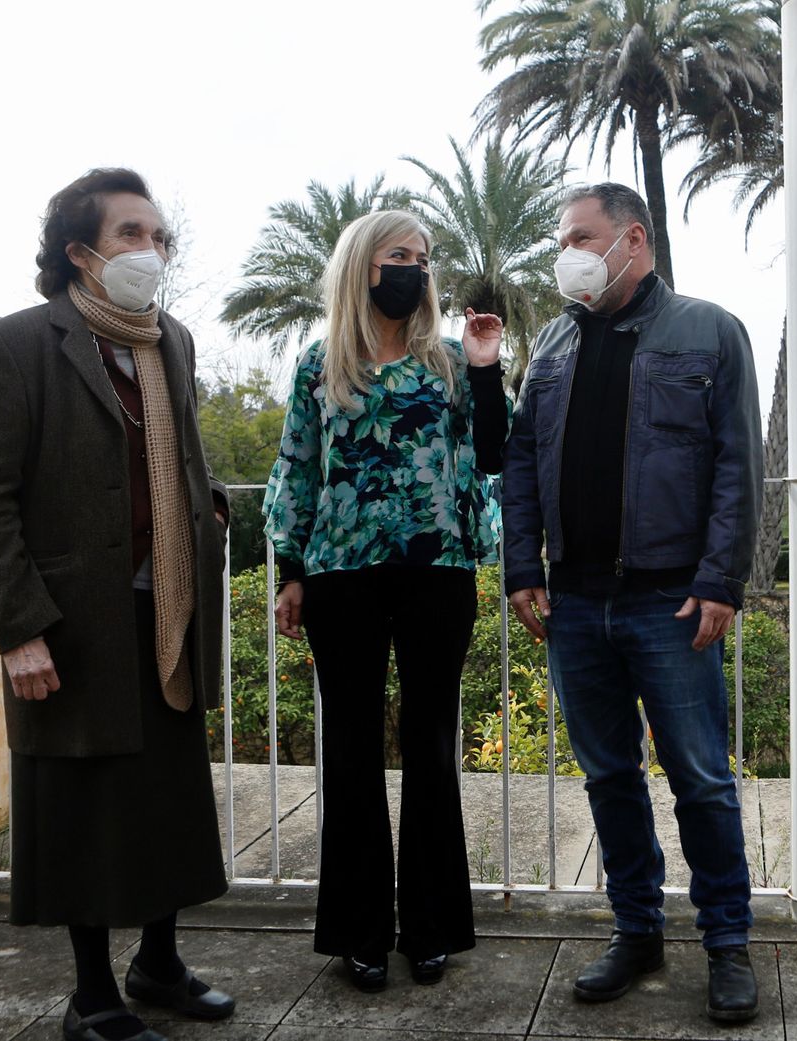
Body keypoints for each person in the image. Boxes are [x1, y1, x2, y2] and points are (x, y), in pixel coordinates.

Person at [0, 168, 235, 1041]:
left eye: (160, 237)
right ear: (79, 253)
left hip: (170, 611)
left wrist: (207, 506)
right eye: (131, 235)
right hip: (74, 623)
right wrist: (21, 628)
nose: (152, 250)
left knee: (167, 800)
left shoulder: (172, 341)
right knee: (82, 808)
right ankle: (92, 996)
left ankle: (159, 962)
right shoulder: (18, 346)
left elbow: (176, 456)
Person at [501, 183, 763, 1022]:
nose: (566, 253)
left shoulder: (710, 331)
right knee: (610, 777)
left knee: (702, 780)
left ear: (634, 240)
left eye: (581, 236)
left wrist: (720, 579)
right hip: (575, 604)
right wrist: (520, 568)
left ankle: (727, 942)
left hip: (670, 602)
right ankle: (636, 928)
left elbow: (737, 466)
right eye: (562, 238)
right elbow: (519, 459)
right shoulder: (550, 343)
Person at [263, 209, 508, 993]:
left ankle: (430, 924)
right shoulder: (319, 363)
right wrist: (289, 572)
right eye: (398, 254)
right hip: (341, 577)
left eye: (423, 257)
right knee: (353, 751)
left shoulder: (445, 364)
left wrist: (484, 367)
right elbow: (295, 471)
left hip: (438, 571)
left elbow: (495, 454)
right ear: (362, 263)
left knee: (433, 744)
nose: (414, 267)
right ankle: (359, 931)